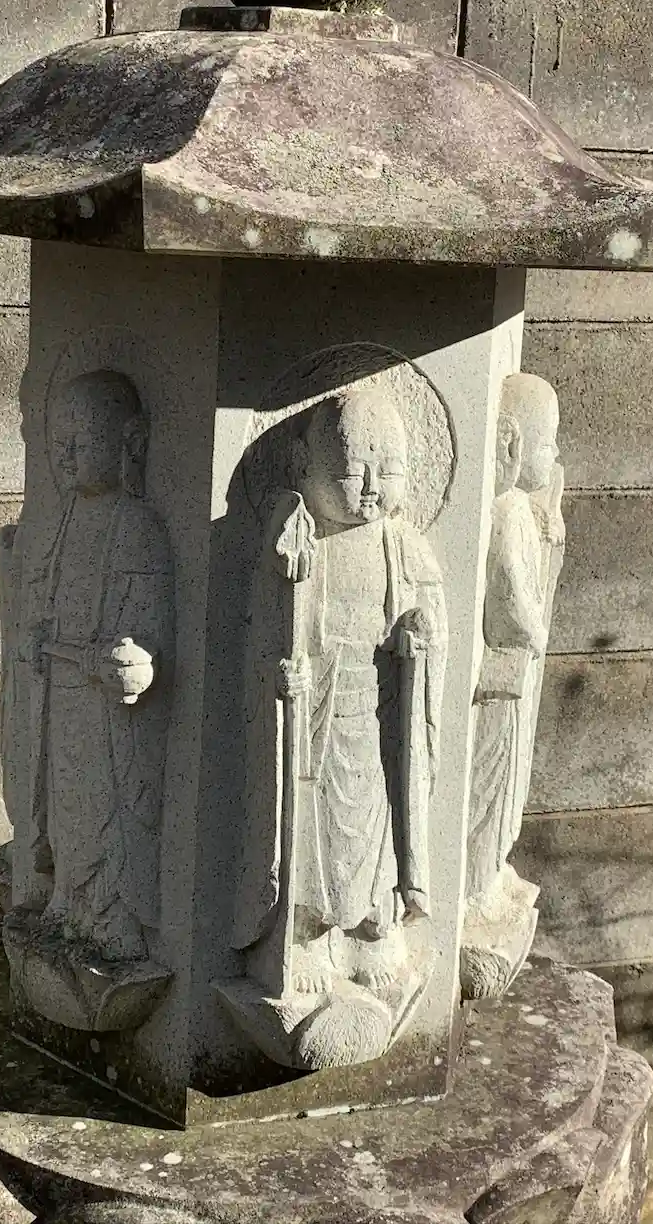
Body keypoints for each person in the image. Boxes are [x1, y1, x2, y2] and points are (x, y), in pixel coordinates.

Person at [234, 384, 447, 997]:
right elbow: (261, 635)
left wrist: (418, 637)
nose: (372, 489)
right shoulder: (297, 545)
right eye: (353, 474)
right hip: (317, 719)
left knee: (375, 829)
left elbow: (431, 622)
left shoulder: (403, 547)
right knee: (313, 831)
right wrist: (278, 674)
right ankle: (306, 936)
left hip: (376, 717)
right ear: (306, 465)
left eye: (389, 472)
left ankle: (372, 930)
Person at [16, 369, 173, 963]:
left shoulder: (138, 526)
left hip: (110, 711)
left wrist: (137, 660)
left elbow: (153, 630)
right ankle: (67, 898)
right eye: (59, 444)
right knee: (64, 804)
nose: (66, 456)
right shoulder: (62, 521)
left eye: (81, 442)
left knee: (110, 808)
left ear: (129, 442)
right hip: (61, 700)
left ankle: (112, 917)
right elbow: (43, 602)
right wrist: (38, 639)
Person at [466, 374, 563, 910]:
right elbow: (510, 594)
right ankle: (476, 883)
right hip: (500, 675)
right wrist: (536, 630)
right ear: (512, 444)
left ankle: (494, 868)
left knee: (510, 784)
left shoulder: (525, 509)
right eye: (547, 443)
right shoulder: (505, 513)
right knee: (490, 782)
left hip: (517, 674)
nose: (555, 455)